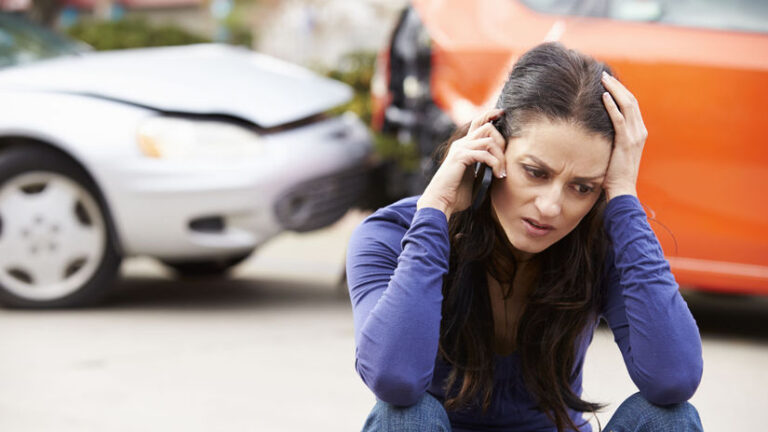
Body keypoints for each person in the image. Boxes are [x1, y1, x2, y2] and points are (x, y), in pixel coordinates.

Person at [346, 42, 704, 432]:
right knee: (404, 417)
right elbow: (394, 379)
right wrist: (437, 209)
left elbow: (674, 379)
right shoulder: (389, 234)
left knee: (669, 417)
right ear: (493, 145)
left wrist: (622, 194)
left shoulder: (601, 243)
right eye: (535, 172)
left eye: (582, 187)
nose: (551, 206)